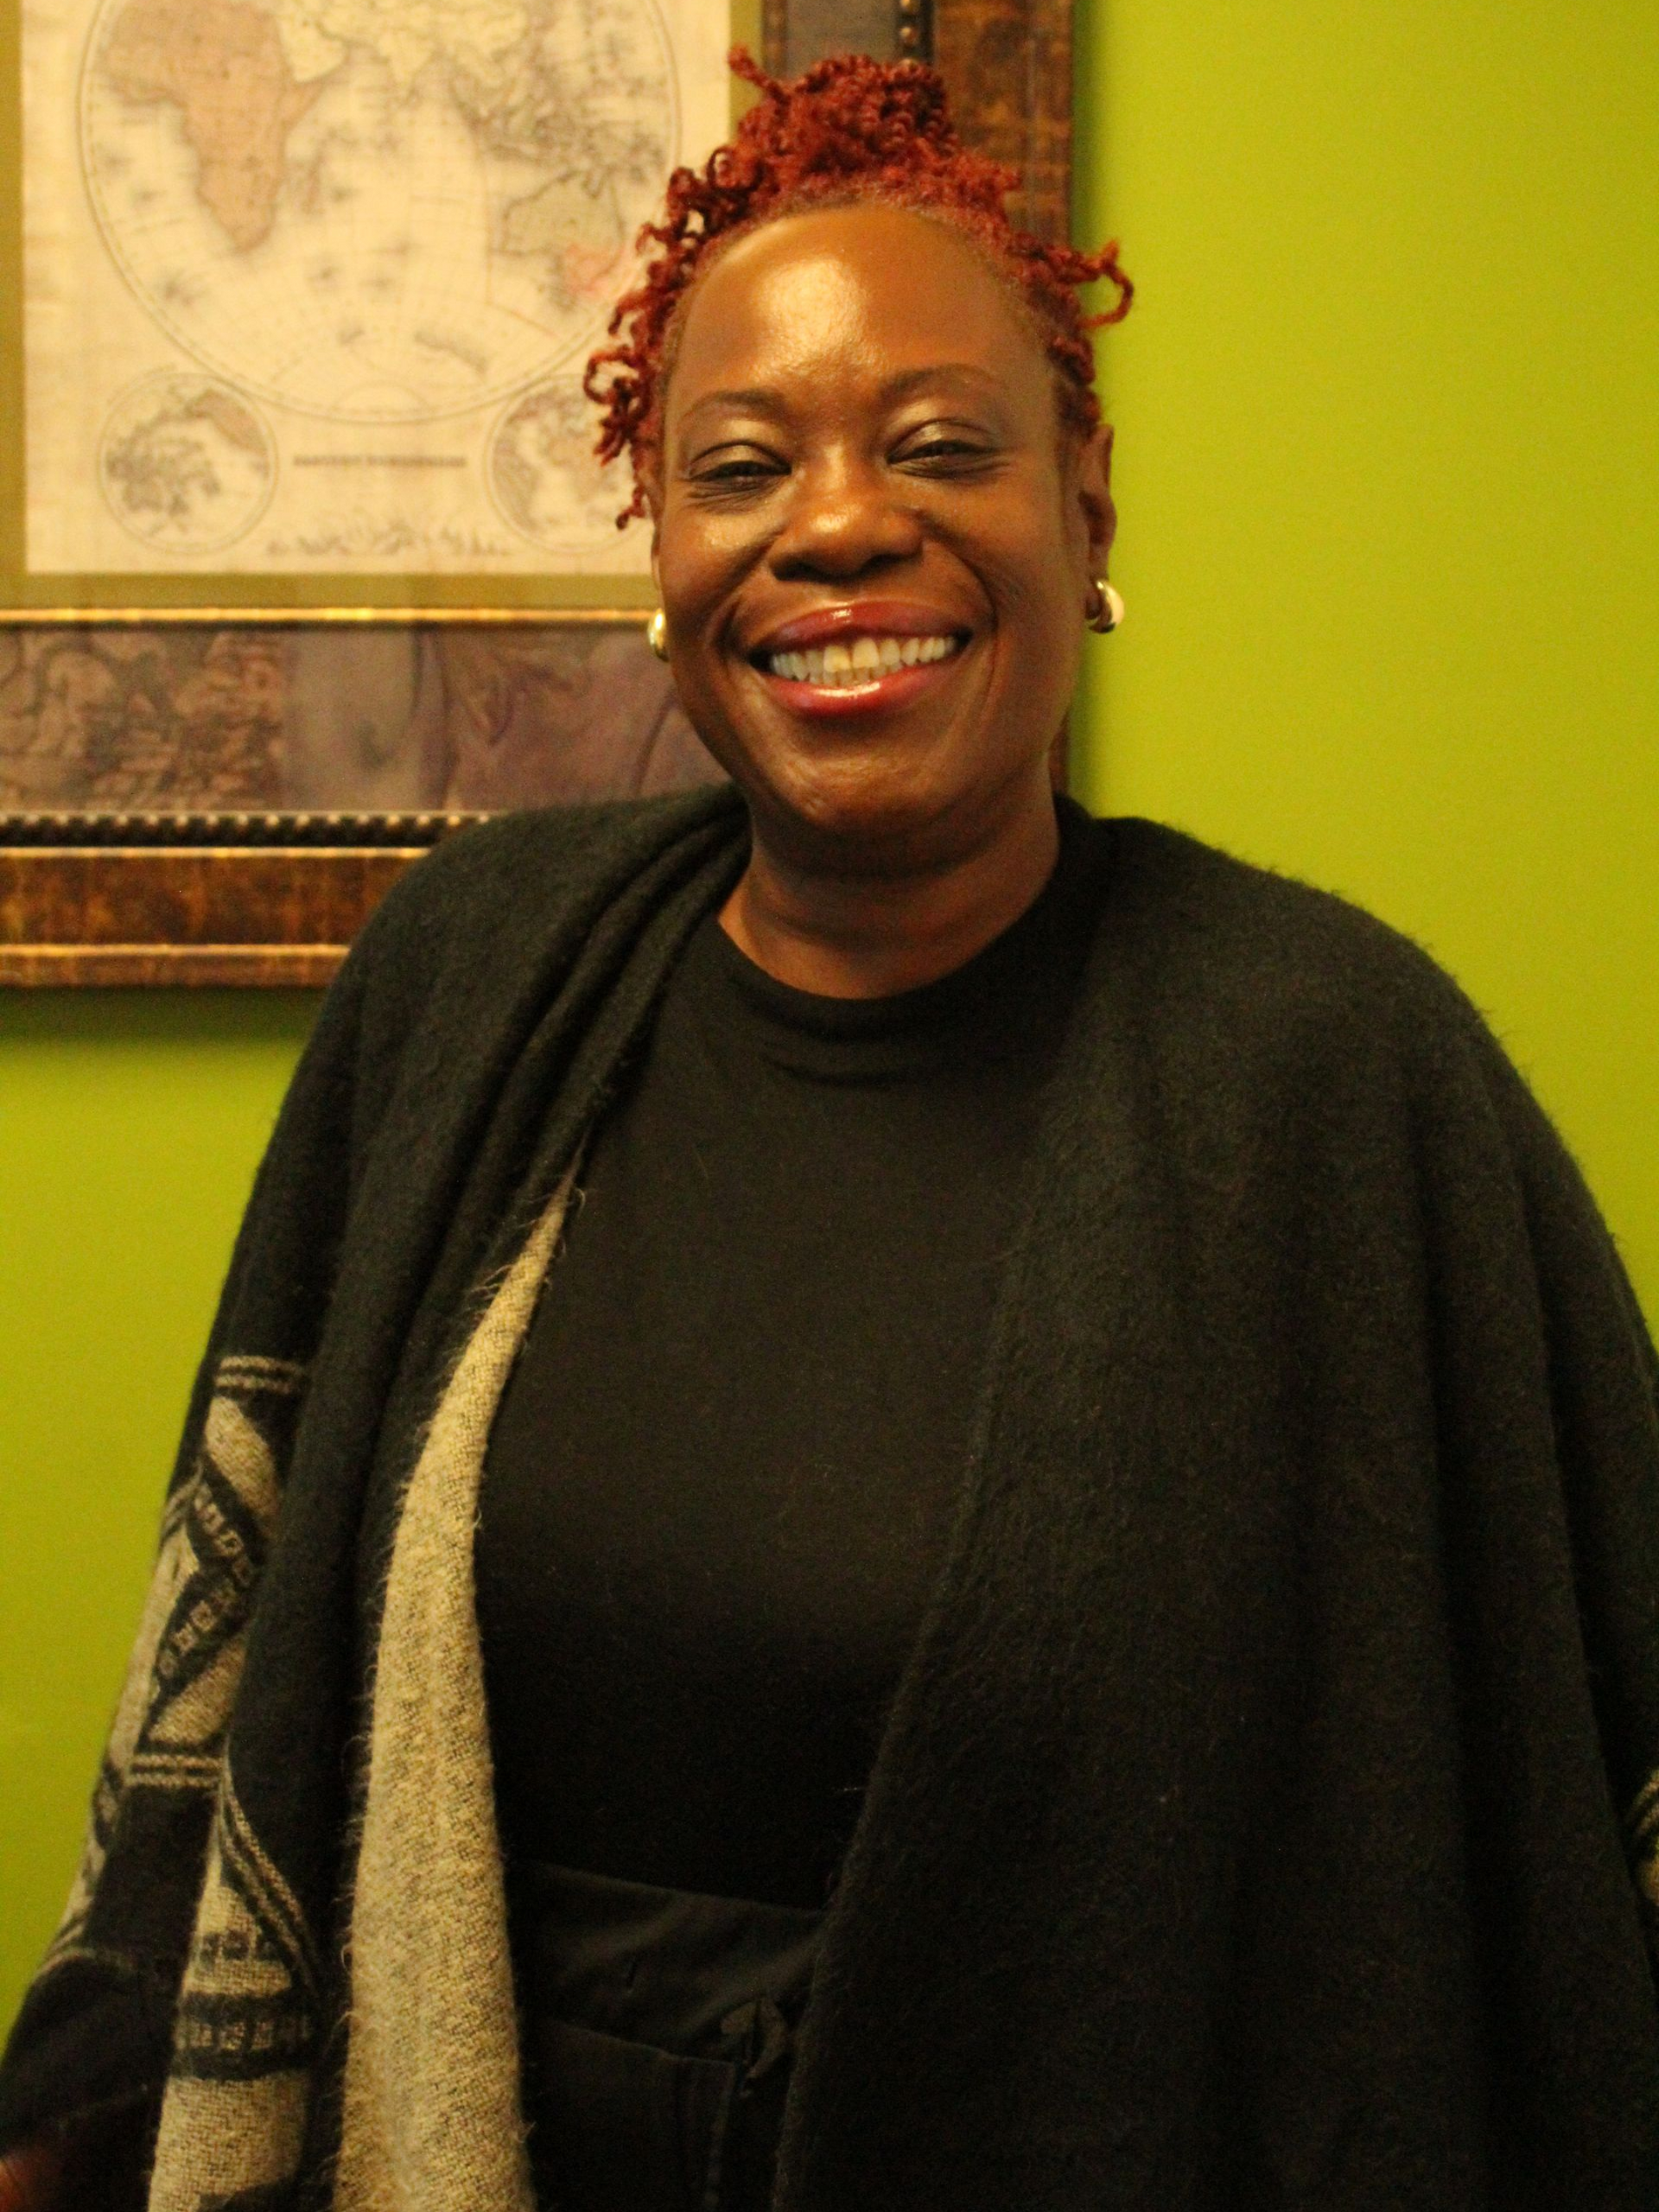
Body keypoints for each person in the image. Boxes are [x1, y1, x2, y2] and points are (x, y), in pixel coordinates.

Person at [3, 47, 1658, 2212]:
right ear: (666, 557)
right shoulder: (472, 981)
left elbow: (1575, 1738)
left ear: (1090, 510)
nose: (839, 520)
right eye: (741, 463)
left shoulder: (1340, 1074)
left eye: (943, 445)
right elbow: (234, 1673)